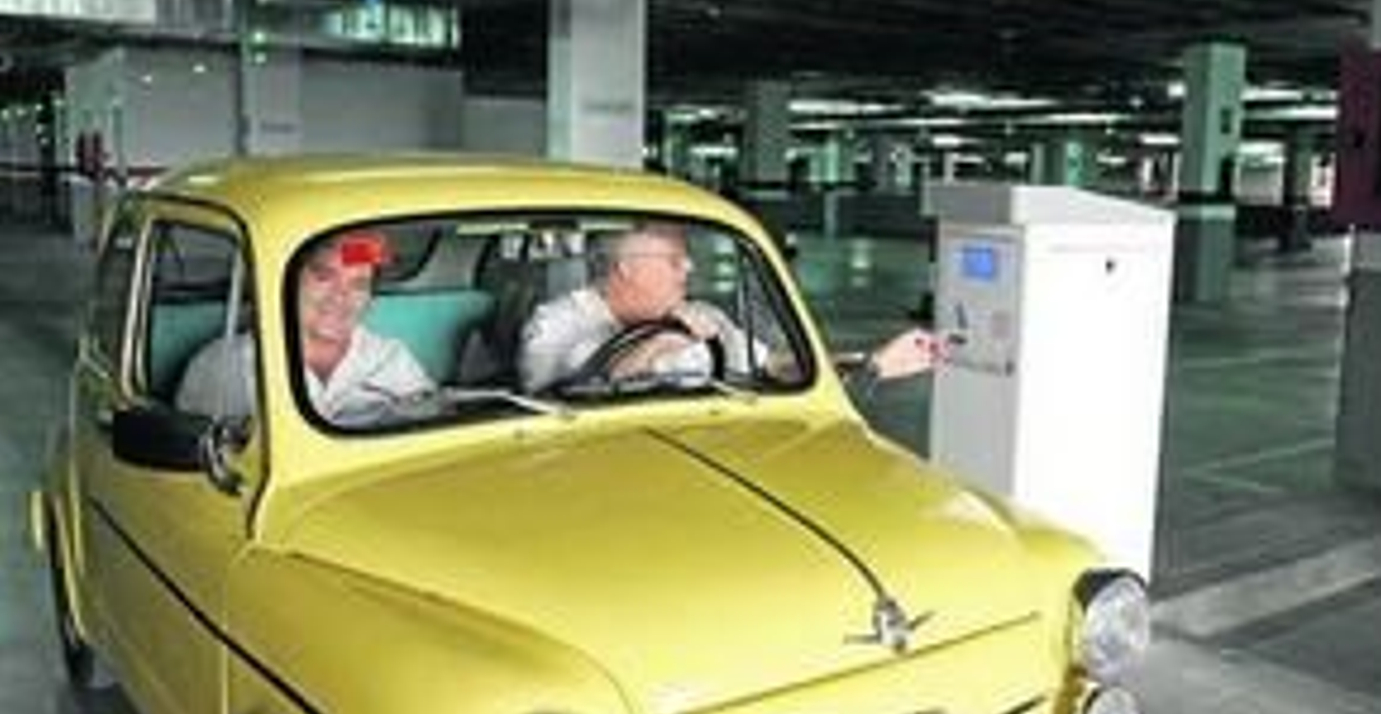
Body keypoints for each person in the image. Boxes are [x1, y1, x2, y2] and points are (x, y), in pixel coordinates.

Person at [516, 221, 946, 395]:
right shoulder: (556, 323)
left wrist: (872, 363)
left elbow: (775, 365)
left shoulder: (706, 316)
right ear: (626, 268)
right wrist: (666, 336)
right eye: (674, 259)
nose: (689, 268)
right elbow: (558, 403)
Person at [176, 229, 433, 425]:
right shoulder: (221, 366)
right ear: (287, 281)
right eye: (324, 277)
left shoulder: (393, 360)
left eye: (358, 285)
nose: (340, 297)